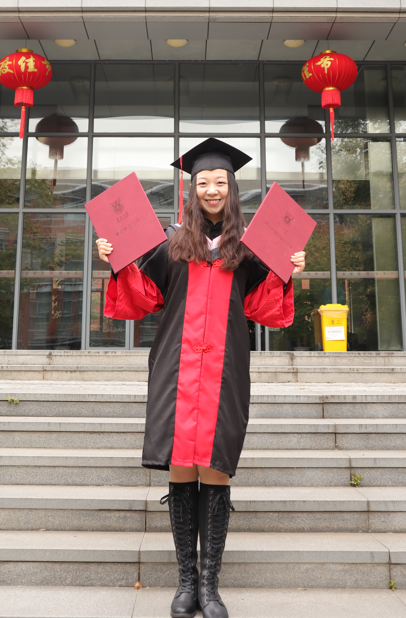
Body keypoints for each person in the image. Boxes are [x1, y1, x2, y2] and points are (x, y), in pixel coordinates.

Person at [96, 139, 306, 618]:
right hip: (175, 370)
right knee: (180, 467)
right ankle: (186, 582)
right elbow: (143, 297)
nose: (212, 190)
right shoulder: (170, 243)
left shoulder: (249, 248)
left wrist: (286, 272)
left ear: (232, 189)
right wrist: (117, 259)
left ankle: (210, 586)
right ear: (192, 189)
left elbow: (263, 308)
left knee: (214, 468)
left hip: (224, 373)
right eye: (204, 182)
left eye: (220, 182)